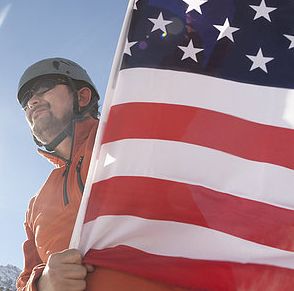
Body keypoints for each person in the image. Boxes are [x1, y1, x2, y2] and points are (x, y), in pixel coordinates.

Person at [16, 58, 180, 291]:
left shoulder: (128, 137)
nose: (31, 102)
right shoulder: (35, 206)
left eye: (43, 88)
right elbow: (24, 282)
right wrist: (43, 284)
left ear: (82, 97)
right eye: (25, 101)